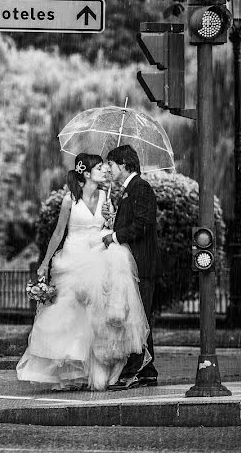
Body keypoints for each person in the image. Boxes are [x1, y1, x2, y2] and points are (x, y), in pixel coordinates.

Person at [16, 153, 150, 391]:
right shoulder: (70, 199)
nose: (105, 171)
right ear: (86, 174)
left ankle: (94, 369)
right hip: (73, 256)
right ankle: (69, 367)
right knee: (70, 312)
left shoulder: (106, 198)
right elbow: (58, 233)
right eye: (99, 168)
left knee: (95, 315)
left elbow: (110, 229)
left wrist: (110, 219)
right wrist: (45, 261)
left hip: (97, 254)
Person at [103, 144, 160, 390]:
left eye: (112, 165)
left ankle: (132, 372)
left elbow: (143, 224)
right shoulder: (129, 190)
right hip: (132, 265)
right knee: (141, 317)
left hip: (141, 264)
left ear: (124, 165)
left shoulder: (141, 188)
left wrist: (114, 237)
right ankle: (148, 371)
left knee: (138, 318)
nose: (109, 169)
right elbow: (132, 221)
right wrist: (113, 216)